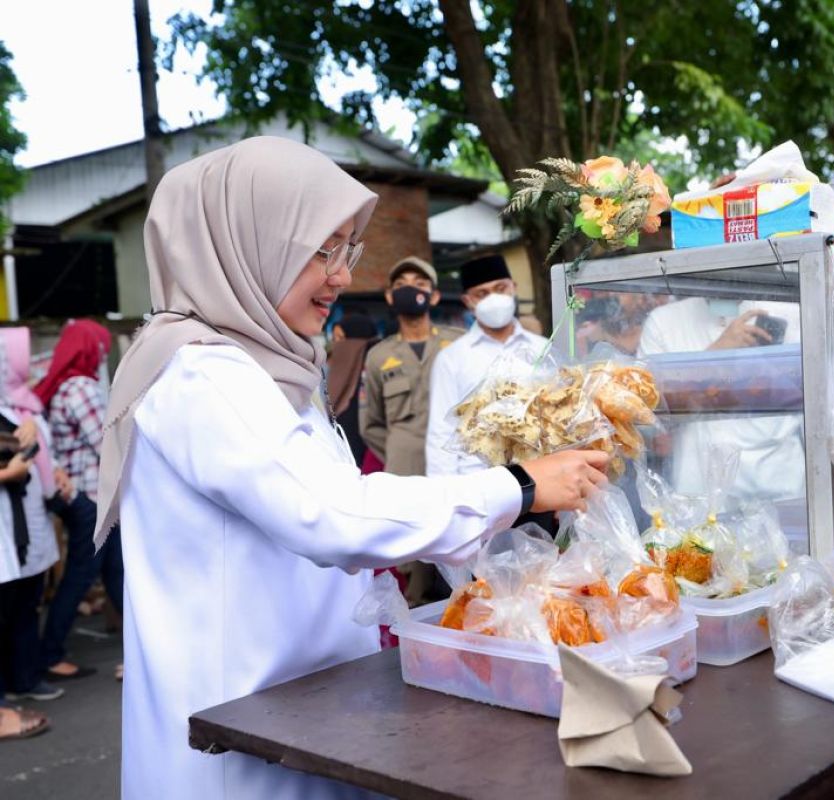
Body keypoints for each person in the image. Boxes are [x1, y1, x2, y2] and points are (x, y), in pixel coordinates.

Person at [96, 136, 607, 799]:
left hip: (301, 714)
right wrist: (519, 486)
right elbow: (332, 511)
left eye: (348, 249)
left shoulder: (264, 361)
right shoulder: (202, 373)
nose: (341, 274)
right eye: (322, 249)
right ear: (245, 244)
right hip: (241, 740)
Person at [638, 297, 805, 500]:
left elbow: (812, 401)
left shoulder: (791, 313)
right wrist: (716, 354)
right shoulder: (663, 322)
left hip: (779, 486)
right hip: (698, 492)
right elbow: (647, 415)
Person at [35, 319, 121, 682]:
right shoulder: (82, 388)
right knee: (83, 574)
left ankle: (143, 645)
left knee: (114, 569)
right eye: (101, 348)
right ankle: (50, 653)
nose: (103, 355)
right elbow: (106, 444)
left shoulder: (60, 387)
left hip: (77, 496)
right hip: (90, 497)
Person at [425, 254, 548, 476]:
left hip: (540, 476)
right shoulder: (452, 358)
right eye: (482, 293)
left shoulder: (543, 348)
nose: (493, 298)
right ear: (467, 301)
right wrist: (448, 495)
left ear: (514, 288)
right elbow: (441, 432)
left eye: (500, 288)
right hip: (478, 482)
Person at [0, 327, 63, 717]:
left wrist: (31, 440)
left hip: (24, 520)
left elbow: (33, 450)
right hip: (9, 520)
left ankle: (23, 678)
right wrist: (13, 470)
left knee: (26, 602)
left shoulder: (15, 407)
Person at [361, 257, 462, 476]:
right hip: (403, 471)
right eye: (400, 285)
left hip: (456, 466)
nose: (409, 289)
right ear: (390, 296)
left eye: (420, 284)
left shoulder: (459, 344)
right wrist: (398, 451)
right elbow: (371, 424)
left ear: (434, 296)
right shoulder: (378, 356)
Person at [326, 313, 377, 466]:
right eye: (334, 339)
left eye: (340, 339)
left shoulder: (374, 376)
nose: (336, 345)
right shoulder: (330, 376)